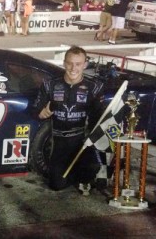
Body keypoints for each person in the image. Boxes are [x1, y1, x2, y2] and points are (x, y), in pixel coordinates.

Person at [33, 46, 103, 195]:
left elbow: (99, 117)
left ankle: (84, 172)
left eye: (78, 64)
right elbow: (36, 111)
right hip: (58, 143)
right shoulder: (50, 85)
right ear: (64, 63)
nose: (73, 68)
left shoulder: (94, 87)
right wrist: (42, 113)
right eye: (70, 63)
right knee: (56, 185)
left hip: (82, 142)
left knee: (92, 168)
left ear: (85, 65)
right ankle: (72, 174)